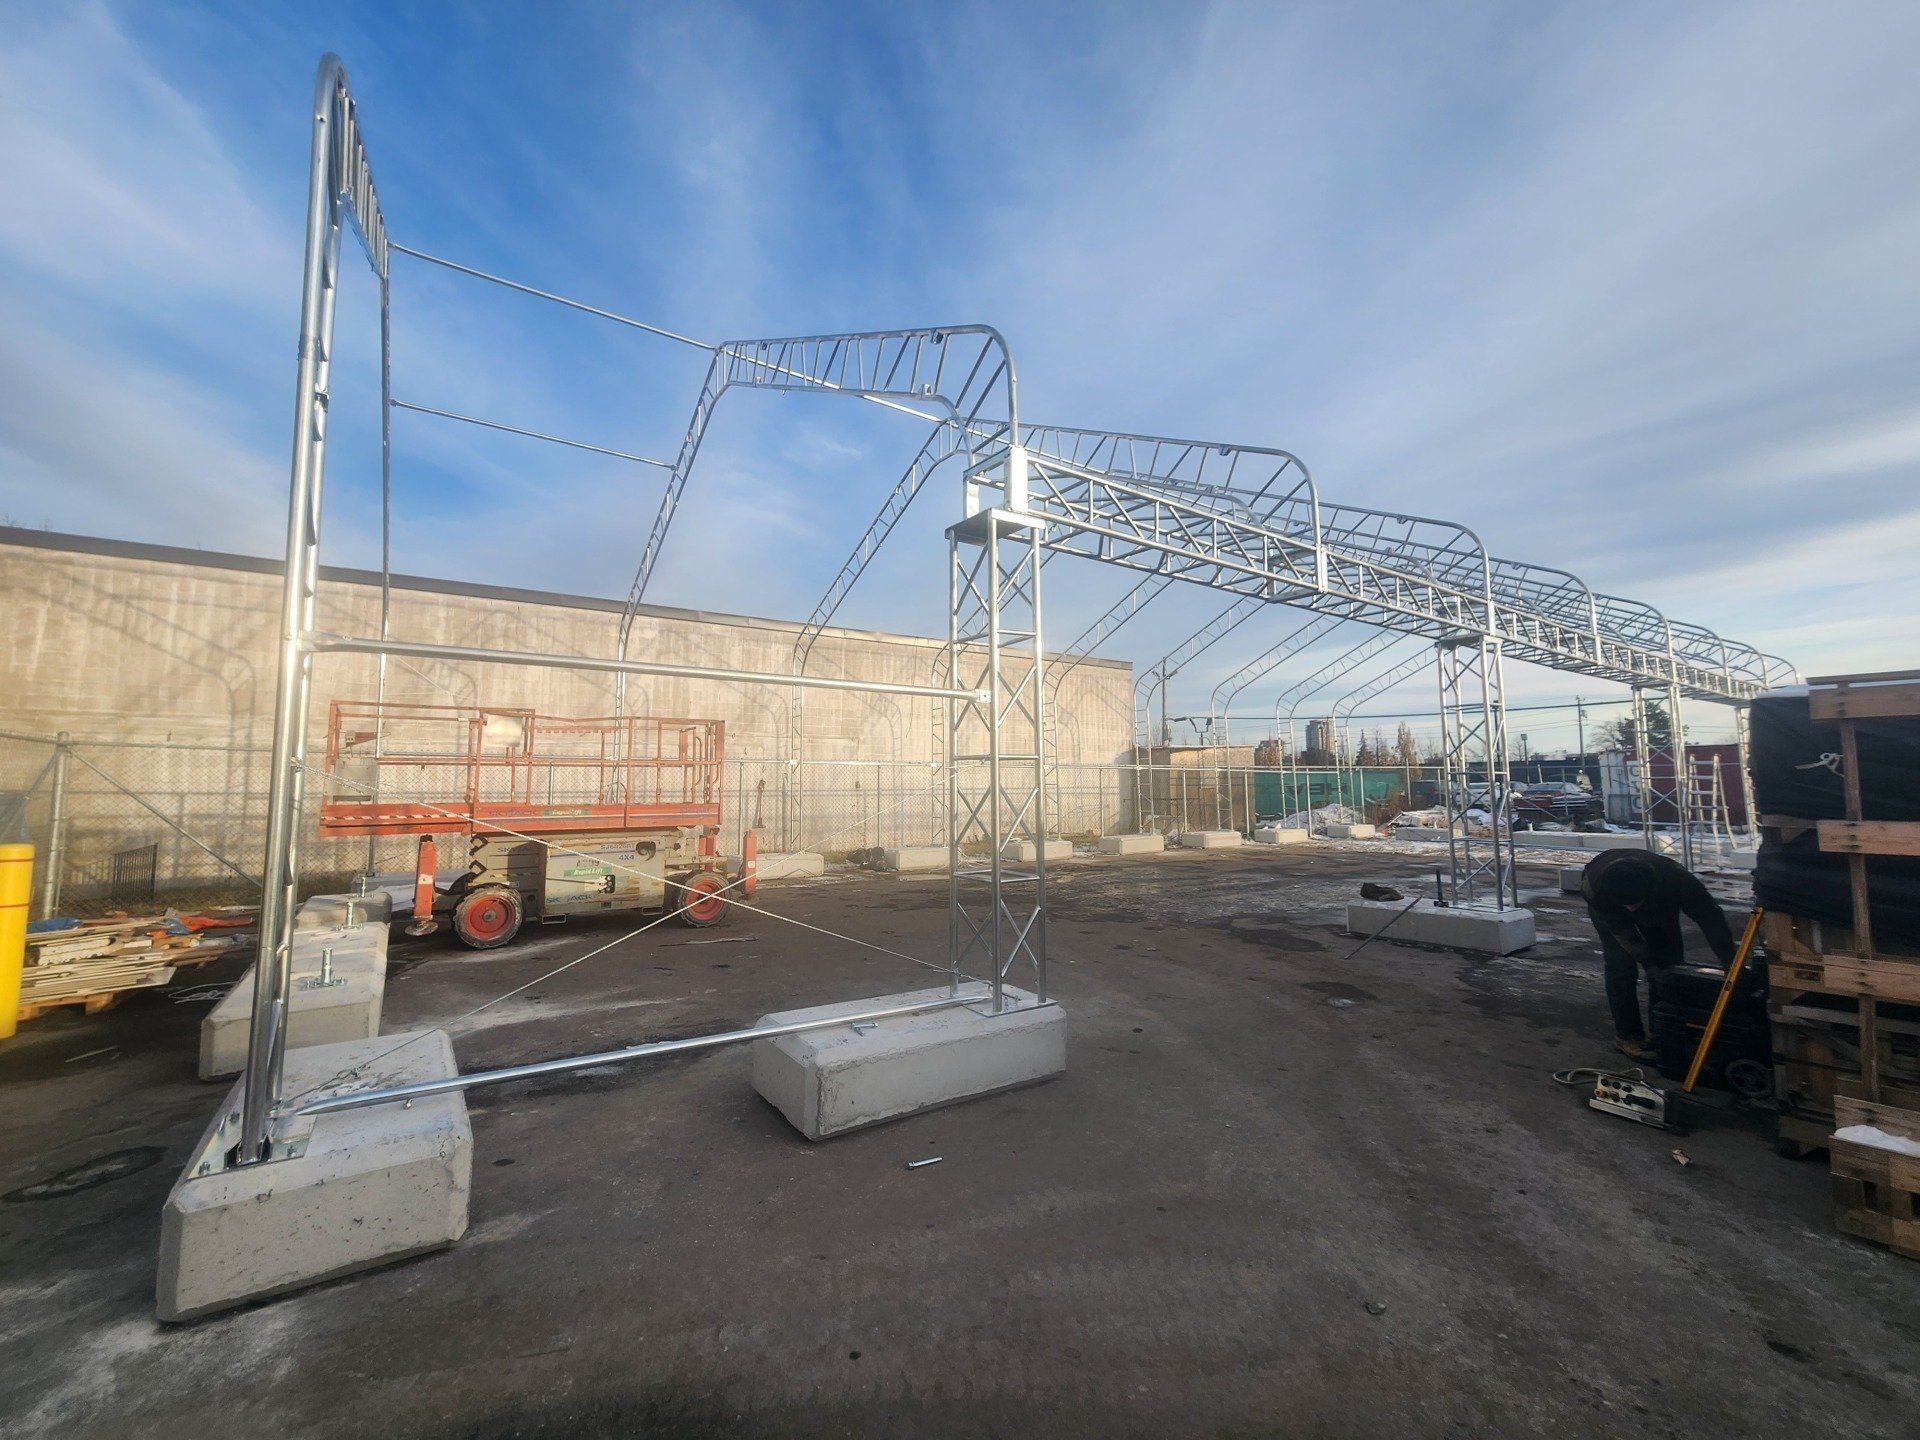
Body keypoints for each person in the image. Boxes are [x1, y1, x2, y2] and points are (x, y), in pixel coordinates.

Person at [1581, 848, 1736, 1062]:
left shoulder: (1676, 880)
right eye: (1628, 905)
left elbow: (1709, 916)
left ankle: (1663, 1030)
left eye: (1635, 904)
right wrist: (1648, 962)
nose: (1632, 910)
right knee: (1621, 965)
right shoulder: (1595, 888)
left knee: (1669, 964)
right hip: (1611, 909)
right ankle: (1628, 1036)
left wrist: (1729, 960)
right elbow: (1625, 936)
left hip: (1659, 902)